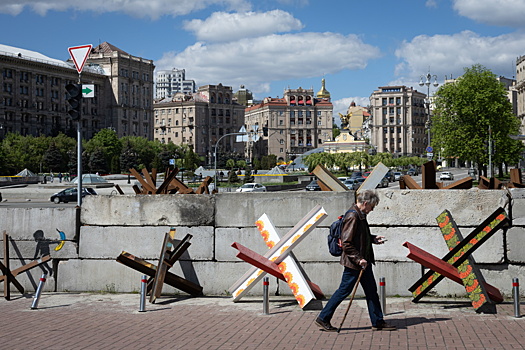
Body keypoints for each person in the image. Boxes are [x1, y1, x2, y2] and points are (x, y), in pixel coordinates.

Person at [315, 190, 396, 332]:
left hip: (363, 262)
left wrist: (373, 239)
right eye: (372, 206)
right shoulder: (353, 216)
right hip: (355, 263)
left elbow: (360, 236)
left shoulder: (360, 215)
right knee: (343, 291)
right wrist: (359, 260)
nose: (372, 210)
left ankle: (377, 321)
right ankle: (323, 318)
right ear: (365, 203)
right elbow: (347, 243)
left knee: (371, 291)